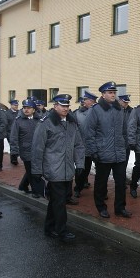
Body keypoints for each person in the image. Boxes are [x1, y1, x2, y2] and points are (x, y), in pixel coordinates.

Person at [32, 93, 85, 241]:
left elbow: (79, 145)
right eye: (62, 106)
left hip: (68, 169)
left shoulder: (72, 123)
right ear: (55, 106)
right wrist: (36, 170)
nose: (66, 108)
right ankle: (61, 230)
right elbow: (38, 148)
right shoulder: (46, 123)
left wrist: (80, 163)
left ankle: (49, 228)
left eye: (67, 106)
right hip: (53, 169)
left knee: (56, 200)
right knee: (60, 201)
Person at [82, 82, 132, 219]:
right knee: (101, 183)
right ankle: (101, 207)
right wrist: (94, 151)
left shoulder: (119, 109)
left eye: (114, 92)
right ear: (103, 95)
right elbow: (89, 132)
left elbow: (124, 131)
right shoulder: (95, 110)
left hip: (119, 153)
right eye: (110, 92)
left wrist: (125, 145)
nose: (113, 95)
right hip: (102, 153)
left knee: (121, 183)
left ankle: (120, 208)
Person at [10, 99, 44, 198]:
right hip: (26, 150)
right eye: (24, 108)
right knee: (31, 171)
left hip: (38, 150)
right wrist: (14, 152)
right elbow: (13, 137)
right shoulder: (18, 121)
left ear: (34, 109)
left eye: (28, 108)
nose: (26, 110)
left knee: (34, 169)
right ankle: (35, 191)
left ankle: (23, 185)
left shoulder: (39, 120)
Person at [73, 90, 98, 200]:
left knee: (94, 170)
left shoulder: (97, 112)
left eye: (94, 101)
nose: (93, 103)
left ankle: (100, 191)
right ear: (85, 101)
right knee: (82, 170)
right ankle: (78, 189)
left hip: (96, 146)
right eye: (90, 100)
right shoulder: (77, 114)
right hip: (83, 147)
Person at [6, 99, 20, 165]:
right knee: (12, 145)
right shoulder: (7, 113)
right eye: (15, 105)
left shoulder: (19, 113)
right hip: (10, 132)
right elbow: (6, 123)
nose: (16, 106)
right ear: (11, 105)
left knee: (17, 145)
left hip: (18, 132)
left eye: (17, 105)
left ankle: (15, 156)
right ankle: (13, 159)